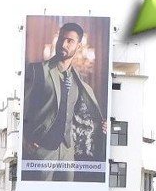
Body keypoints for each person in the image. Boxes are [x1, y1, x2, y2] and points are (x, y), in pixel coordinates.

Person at [22, 22, 106, 182]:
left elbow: (82, 115)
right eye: (61, 38)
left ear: (79, 46)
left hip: (68, 151)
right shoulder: (36, 70)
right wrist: (25, 139)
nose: (63, 44)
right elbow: (23, 108)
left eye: (70, 41)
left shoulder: (78, 80)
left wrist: (103, 125)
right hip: (42, 149)